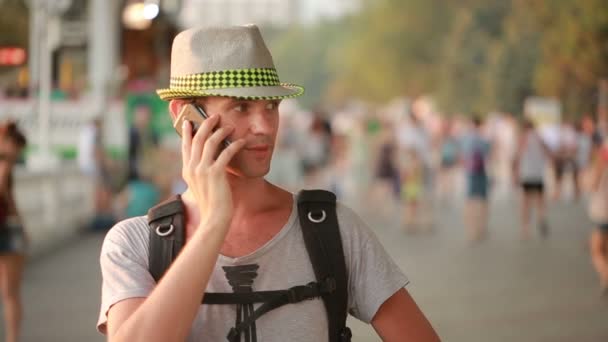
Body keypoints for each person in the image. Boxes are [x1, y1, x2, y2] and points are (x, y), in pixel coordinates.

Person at [97, 25, 439, 341]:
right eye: (241, 107)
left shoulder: (330, 228)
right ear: (184, 116)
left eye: (271, 105)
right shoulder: (134, 244)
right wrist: (215, 222)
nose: (264, 126)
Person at [0, 121, 27, 342]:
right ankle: (12, 338)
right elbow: (4, 191)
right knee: (11, 293)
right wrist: (20, 222)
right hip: (7, 228)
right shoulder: (5, 163)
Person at [513, 119, 553, 240]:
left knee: (525, 203)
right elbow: (549, 153)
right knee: (540, 201)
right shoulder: (540, 138)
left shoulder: (522, 138)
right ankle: (541, 218)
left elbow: (517, 156)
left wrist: (515, 173)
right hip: (538, 174)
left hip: (527, 174)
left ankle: (525, 228)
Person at [461, 117, 491, 242]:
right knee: (482, 200)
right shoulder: (483, 140)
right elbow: (488, 154)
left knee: (471, 201)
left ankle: (472, 230)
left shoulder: (467, 138)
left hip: (471, 172)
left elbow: (463, 155)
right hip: (481, 172)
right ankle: (481, 227)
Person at [588, 140, 608, 295]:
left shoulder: (605, 152)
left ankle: (606, 276)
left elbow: (594, 183)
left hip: (603, 209)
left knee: (595, 250)